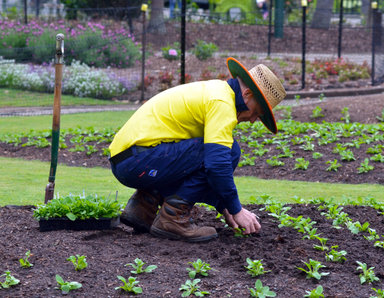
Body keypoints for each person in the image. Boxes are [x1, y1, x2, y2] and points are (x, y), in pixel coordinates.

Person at [109, 57, 286, 242]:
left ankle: (144, 206)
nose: (252, 120)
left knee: (207, 152)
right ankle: (173, 218)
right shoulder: (222, 102)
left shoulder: (215, 90)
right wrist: (236, 209)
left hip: (128, 160)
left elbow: (190, 163)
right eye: (257, 112)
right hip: (138, 161)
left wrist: (224, 205)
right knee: (229, 151)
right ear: (248, 95)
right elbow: (216, 165)